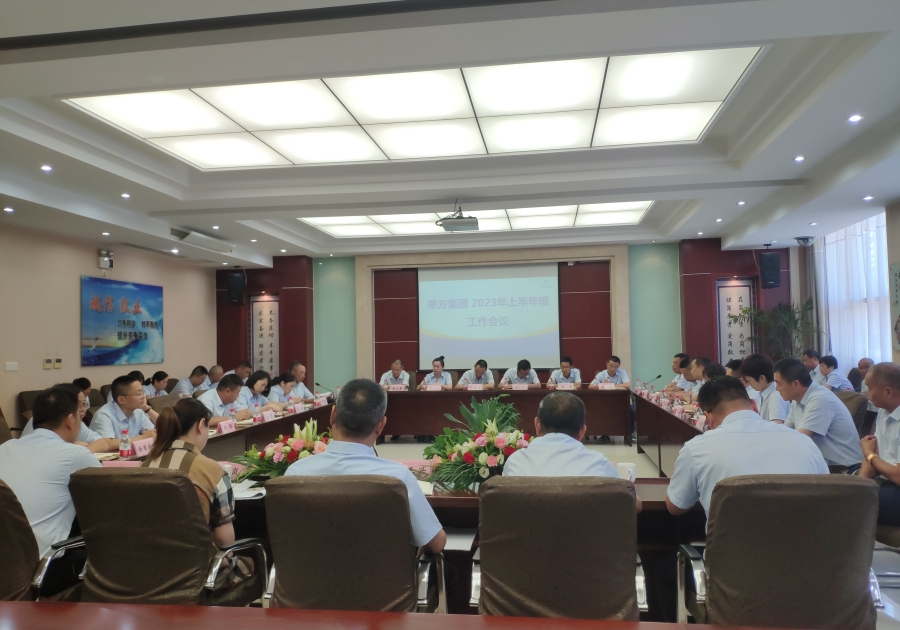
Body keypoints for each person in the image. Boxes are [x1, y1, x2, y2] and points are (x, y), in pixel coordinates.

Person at [286, 378, 446, 554]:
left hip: (309, 571)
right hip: (382, 572)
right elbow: (436, 543)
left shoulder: (295, 474)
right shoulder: (396, 478)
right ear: (381, 426)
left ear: (332, 415)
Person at [666, 377, 828, 520]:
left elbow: (676, 506)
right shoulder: (803, 441)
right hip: (803, 544)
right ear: (754, 405)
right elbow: (827, 496)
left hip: (732, 546)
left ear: (709, 417)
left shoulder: (696, 448)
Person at [142, 399, 253, 590]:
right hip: (200, 576)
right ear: (201, 425)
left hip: (147, 573)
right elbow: (225, 541)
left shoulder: (144, 466)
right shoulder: (212, 470)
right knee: (251, 562)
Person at [0, 386, 101, 555]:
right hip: (41, 561)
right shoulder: (75, 455)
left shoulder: (5, 447)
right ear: (70, 420)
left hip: (8, 559)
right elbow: (111, 500)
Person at [503, 393, 641, 510]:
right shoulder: (598, 464)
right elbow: (633, 505)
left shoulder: (515, 461)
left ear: (537, 425)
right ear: (582, 432)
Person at [774, 358, 862, 467]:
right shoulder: (798, 399)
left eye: (778, 383)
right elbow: (785, 432)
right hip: (822, 465)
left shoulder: (820, 398)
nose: (776, 389)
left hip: (844, 468)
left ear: (796, 384)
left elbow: (800, 440)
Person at [858, 363, 900, 526]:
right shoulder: (883, 411)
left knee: (845, 503)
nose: (867, 393)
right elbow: (872, 449)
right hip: (885, 480)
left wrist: (870, 455)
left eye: (870, 388)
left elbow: (898, 476)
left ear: (888, 391)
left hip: (895, 487)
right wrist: (860, 483)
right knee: (844, 492)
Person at [21, 384, 118, 453]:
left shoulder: (78, 423)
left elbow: (103, 444)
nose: (82, 409)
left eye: (84, 404)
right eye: (77, 405)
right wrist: (76, 447)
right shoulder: (44, 421)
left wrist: (80, 451)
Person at [91, 375, 158, 441]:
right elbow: (108, 444)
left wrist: (146, 407)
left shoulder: (138, 410)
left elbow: (154, 431)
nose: (143, 396)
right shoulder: (104, 416)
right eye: (138, 393)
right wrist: (143, 437)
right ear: (121, 400)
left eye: (143, 392)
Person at [741, 354, 790, 423]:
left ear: (762, 378)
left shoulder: (776, 397)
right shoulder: (763, 393)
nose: (749, 383)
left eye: (749, 379)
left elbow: (776, 425)